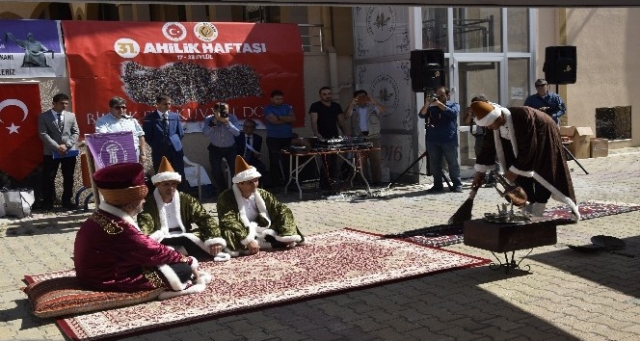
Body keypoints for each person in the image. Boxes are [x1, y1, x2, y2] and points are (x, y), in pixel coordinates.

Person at [74, 162, 211, 299]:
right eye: (141, 198)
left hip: (94, 273)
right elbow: (152, 250)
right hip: (106, 279)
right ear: (130, 202)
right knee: (183, 270)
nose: (144, 201)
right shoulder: (121, 227)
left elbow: (144, 246)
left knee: (170, 258)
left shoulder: (102, 216)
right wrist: (189, 261)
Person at [469, 101, 579, 219]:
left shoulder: (523, 116)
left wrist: (514, 172)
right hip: (525, 144)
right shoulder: (492, 123)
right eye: (487, 126)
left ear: (499, 117)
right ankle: (528, 207)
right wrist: (479, 173)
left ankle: (538, 210)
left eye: (490, 125)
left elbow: (528, 148)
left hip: (544, 134)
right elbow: (488, 148)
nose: (489, 128)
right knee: (519, 175)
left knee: (542, 173)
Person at [138, 157, 229, 262]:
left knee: (221, 238)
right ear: (157, 185)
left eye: (173, 183)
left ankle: (176, 255)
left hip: (184, 235)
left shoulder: (186, 199)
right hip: (162, 238)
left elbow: (204, 218)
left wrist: (214, 238)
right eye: (166, 184)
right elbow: (145, 227)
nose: (170, 187)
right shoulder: (149, 203)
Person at [217, 156, 304, 257]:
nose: (254, 185)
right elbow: (228, 220)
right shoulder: (226, 197)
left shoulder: (263, 194)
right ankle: (264, 243)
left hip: (261, 227)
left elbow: (280, 209)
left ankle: (279, 240)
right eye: (250, 182)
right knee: (228, 233)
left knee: (284, 213)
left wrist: (287, 234)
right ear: (240, 183)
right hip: (241, 230)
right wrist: (248, 240)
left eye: (256, 181)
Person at [37, 93, 80, 210]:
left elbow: (76, 132)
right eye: (62, 103)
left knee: (68, 176)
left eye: (66, 103)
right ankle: (48, 202)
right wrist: (57, 147)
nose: (64, 106)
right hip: (51, 152)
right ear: (54, 103)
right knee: (49, 177)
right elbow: (43, 134)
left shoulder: (71, 116)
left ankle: (67, 201)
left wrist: (67, 145)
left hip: (68, 152)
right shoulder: (44, 117)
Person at [417, 86, 463, 193]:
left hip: (448, 139)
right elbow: (421, 114)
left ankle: (457, 184)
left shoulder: (454, 105)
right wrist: (427, 103)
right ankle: (437, 185)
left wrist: (439, 104)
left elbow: (453, 114)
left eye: (442, 95)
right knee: (435, 164)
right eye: (437, 96)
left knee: (452, 163)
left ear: (447, 95)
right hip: (433, 140)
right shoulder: (431, 107)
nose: (439, 98)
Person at [143, 94, 187, 191]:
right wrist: (159, 144)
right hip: (159, 152)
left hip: (175, 151)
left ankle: (181, 196)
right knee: (162, 176)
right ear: (157, 104)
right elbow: (148, 136)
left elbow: (180, 133)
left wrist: (173, 142)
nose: (168, 106)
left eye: (169, 104)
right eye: (165, 104)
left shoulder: (174, 116)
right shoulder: (150, 118)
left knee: (179, 174)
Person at [343, 90, 385, 184]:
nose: (362, 99)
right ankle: (364, 182)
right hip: (359, 137)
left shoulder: (372, 106)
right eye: (359, 97)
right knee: (361, 162)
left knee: (376, 160)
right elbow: (345, 116)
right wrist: (351, 103)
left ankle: (377, 182)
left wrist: (374, 102)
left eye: (364, 97)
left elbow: (382, 111)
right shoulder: (353, 108)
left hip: (373, 136)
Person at [309, 86, 347, 189]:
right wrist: (317, 134)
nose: (327, 96)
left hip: (334, 137)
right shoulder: (315, 106)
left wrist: (346, 134)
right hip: (322, 138)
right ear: (320, 95)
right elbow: (313, 121)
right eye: (324, 94)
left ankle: (333, 182)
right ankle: (325, 184)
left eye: (329, 94)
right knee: (326, 161)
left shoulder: (336, 106)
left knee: (335, 161)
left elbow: (341, 121)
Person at [95, 96, 147, 162]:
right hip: (116, 156)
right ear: (110, 109)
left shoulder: (132, 120)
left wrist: (143, 153)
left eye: (123, 107)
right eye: (117, 108)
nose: (121, 110)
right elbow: (102, 136)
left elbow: (141, 136)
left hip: (134, 154)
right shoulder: (102, 121)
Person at [202, 102, 240, 193]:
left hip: (230, 148)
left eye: (225, 110)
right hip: (215, 148)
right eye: (221, 110)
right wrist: (214, 123)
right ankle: (224, 192)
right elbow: (205, 133)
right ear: (214, 111)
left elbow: (237, 133)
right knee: (216, 171)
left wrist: (227, 123)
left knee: (235, 170)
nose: (224, 112)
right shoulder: (209, 119)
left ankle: (236, 191)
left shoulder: (232, 118)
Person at [463, 95, 499, 186]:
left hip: (492, 136)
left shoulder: (494, 108)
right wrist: (470, 113)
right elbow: (466, 122)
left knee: (494, 158)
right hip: (480, 136)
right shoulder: (475, 111)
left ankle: (493, 179)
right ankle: (482, 178)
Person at [263, 90, 296, 187]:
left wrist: (279, 117)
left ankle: (290, 183)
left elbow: (293, 119)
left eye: (281, 99)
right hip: (273, 138)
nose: (279, 100)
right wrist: (286, 119)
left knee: (289, 162)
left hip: (287, 137)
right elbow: (273, 121)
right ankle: (276, 185)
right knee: (274, 162)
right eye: (277, 99)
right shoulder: (267, 109)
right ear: (271, 99)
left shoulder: (287, 107)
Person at [235, 119, 268, 186]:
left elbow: (257, 152)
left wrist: (257, 155)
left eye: (249, 127)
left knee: (261, 167)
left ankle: (257, 187)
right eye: (245, 126)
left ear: (253, 128)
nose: (246, 128)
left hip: (252, 159)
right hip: (240, 159)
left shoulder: (258, 138)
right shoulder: (237, 137)